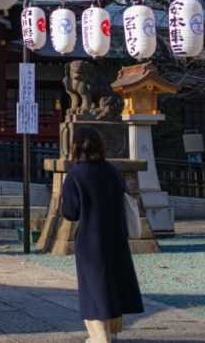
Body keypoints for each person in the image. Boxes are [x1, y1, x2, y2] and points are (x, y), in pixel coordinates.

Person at [61, 127, 143, 343]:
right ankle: (113, 332)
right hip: (116, 235)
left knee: (94, 288)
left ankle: (100, 337)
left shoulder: (75, 175)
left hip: (90, 238)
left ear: (76, 146)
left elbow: (70, 212)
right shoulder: (114, 171)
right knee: (114, 282)